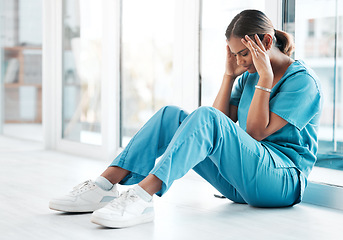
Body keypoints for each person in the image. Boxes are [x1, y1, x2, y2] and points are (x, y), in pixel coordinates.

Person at [49, 9, 323, 228]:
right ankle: (104, 186)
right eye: (235, 55)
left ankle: (143, 196)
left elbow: (255, 133)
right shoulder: (247, 75)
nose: (240, 62)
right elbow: (217, 120)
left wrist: (265, 77)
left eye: (243, 54)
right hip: (240, 184)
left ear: (265, 42)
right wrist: (229, 76)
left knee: (204, 116)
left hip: (282, 183)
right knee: (172, 116)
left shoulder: (302, 82)